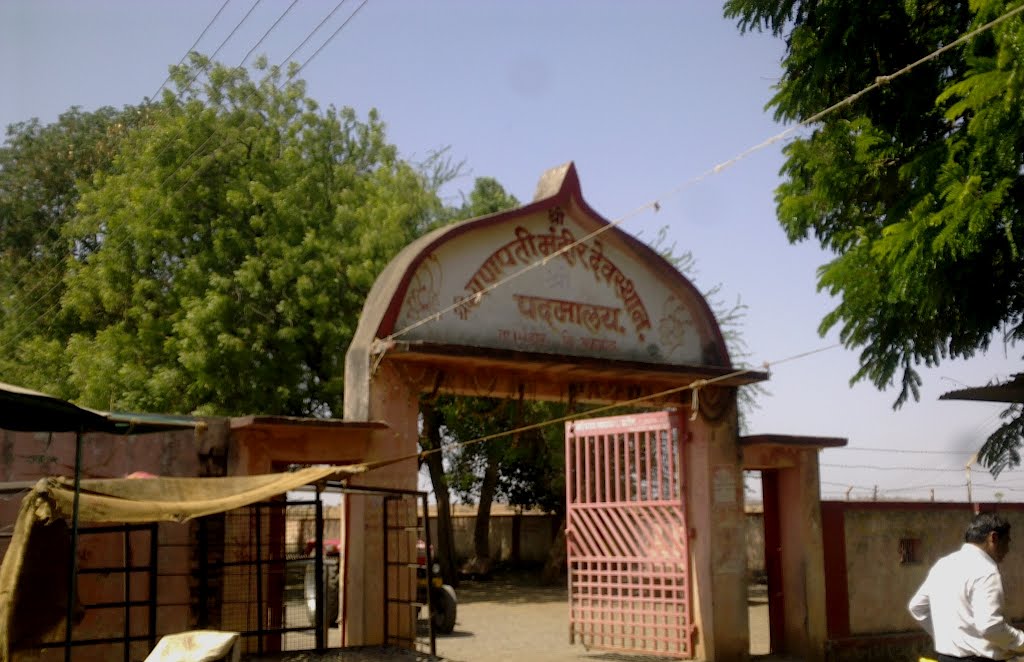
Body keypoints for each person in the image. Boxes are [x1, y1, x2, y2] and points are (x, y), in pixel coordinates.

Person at [909, 512, 1024, 662]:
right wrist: (1021, 642)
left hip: (946, 658)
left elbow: (917, 607)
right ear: (993, 538)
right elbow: (990, 626)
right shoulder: (986, 570)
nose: (1008, 550)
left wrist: (946, 635)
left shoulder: (944, 564)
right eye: (1007, 542)